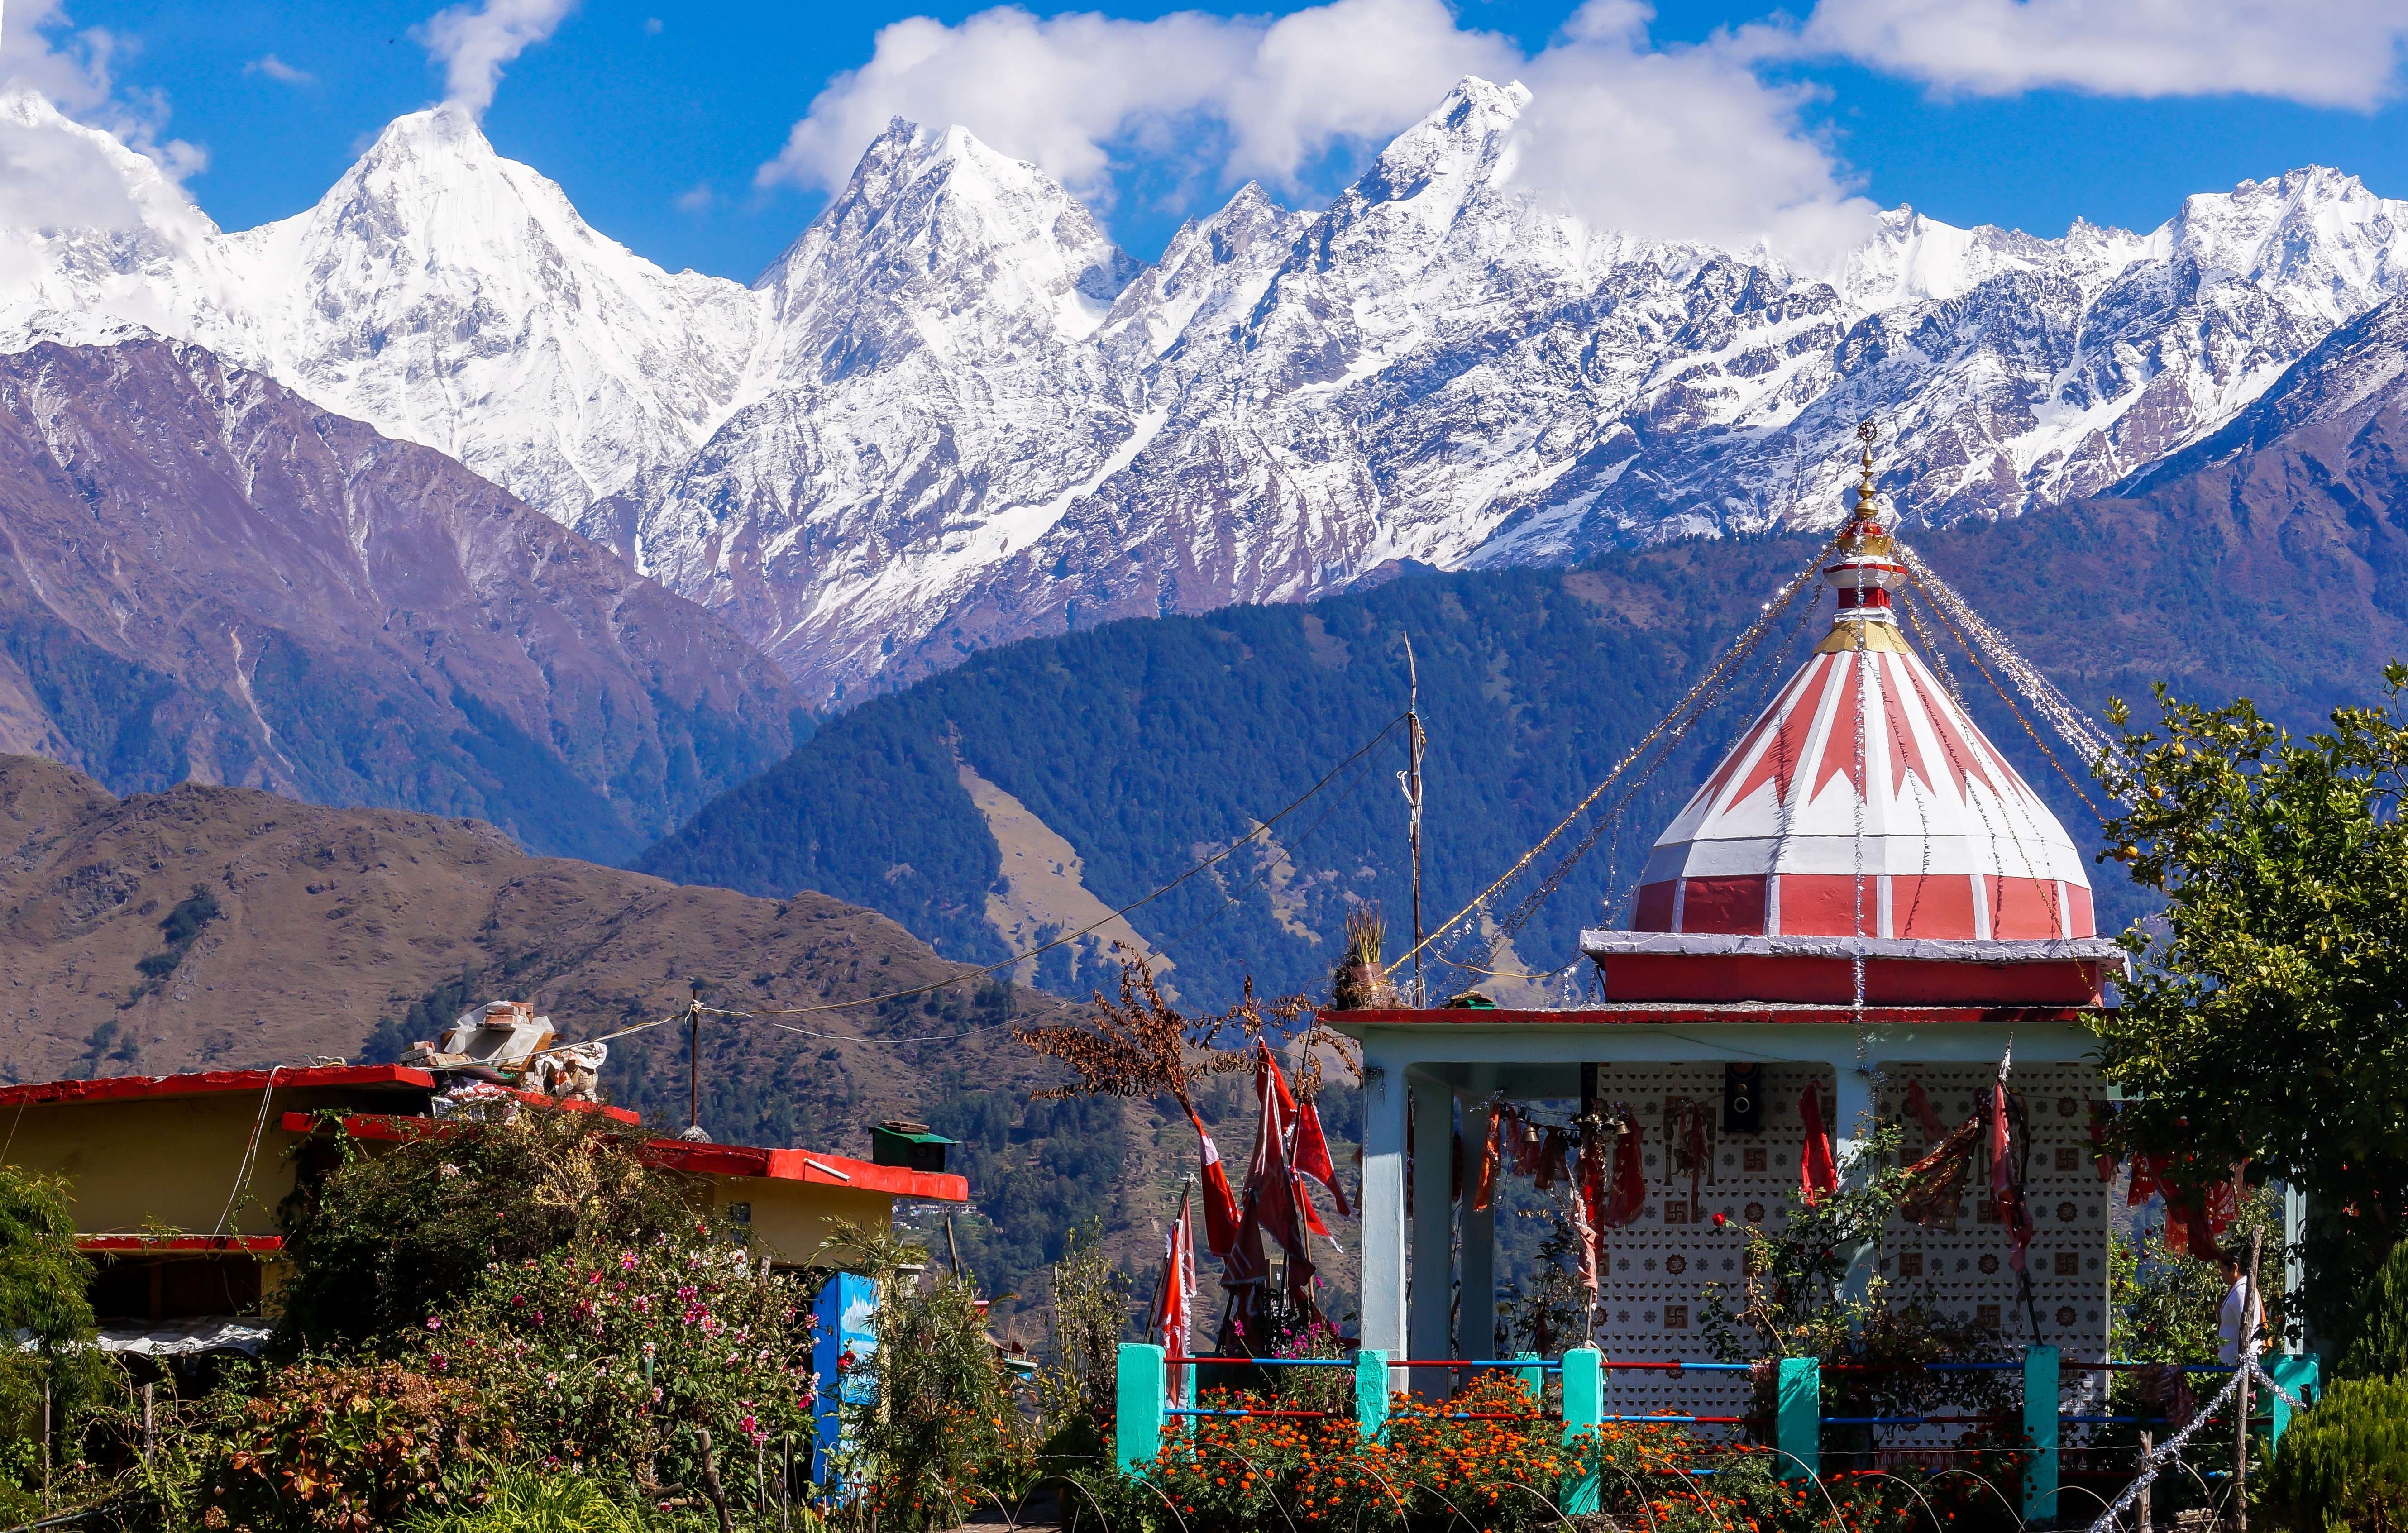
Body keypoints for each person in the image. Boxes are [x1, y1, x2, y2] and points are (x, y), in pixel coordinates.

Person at [2217, 1251, 2263, 1366]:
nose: (2220, 1274)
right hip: (2233, 1363)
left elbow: (2249, 1330)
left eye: (2221, 1269)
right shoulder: (2239, 1289)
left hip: (2239, 1365)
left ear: (2234, 1268)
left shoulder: (2241, 1292)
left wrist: (2247, 1366)